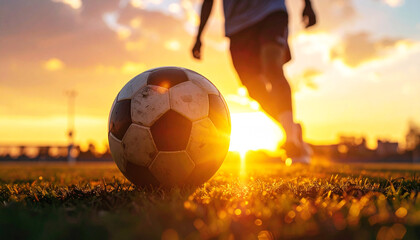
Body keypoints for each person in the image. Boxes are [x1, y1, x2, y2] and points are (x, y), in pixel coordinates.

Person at [192, 0, 317, 163]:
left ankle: (292, 143)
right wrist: (199, 35)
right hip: (237, 26)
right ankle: (292, 130)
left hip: (270, 11)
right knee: (254, 89)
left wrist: (308, 4)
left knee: (273, 68)